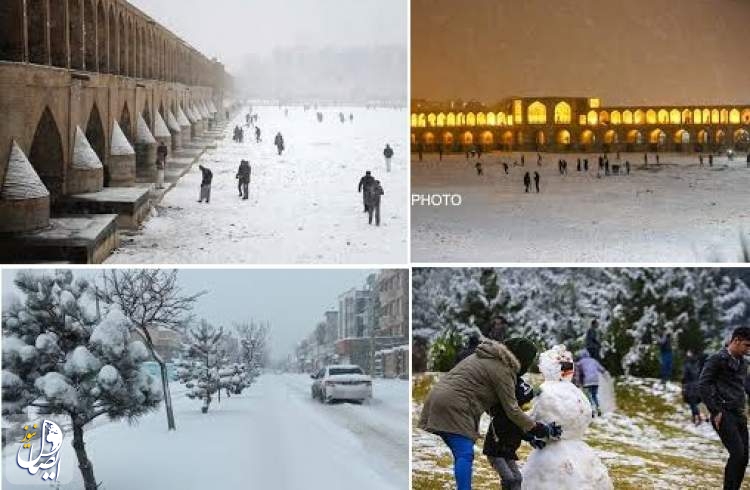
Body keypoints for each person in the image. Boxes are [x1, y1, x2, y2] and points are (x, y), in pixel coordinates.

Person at [418, 338, 561, 490]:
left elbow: (492, 403)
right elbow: (512, 410)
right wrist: (537, 428)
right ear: (522, 359)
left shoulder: (483, 357)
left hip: (438, 398)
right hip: (456, 405)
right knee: (464, 454)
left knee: (462, 452)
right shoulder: (503, 370)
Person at [699, 326, 750, 490]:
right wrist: (715, 411)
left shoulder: (743, 363)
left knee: (744, 457)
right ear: (736, 340)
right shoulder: (717, 359)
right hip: (723, 413)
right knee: (737, 453)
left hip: (739, 414)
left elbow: (744, 387)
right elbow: (704, 384)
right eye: (747, 345)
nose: (749, 350)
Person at [483, 376, 539, 490]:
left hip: (507, 452)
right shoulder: (504, 417)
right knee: (509, 478)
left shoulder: (517, 417)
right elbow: (517, 430)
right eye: (525, 402)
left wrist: (532, 439)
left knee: (517, 478)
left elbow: (520, 431)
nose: (528, 405)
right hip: (495, 453)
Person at [576, 350, 606, 417]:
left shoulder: (580, 363)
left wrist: (578, 382)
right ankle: (598, 408)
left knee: (588, 396)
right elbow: (602, 369)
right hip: (596, 381)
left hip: (587, 381)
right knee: (594, 395)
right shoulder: (593, 361)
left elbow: (578, 373)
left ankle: (592, 410)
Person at [683, 350, 704, 425]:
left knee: (692, 403)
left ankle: (698, 417)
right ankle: (695, 417)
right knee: (693, 403)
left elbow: (685, 376)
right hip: (697, 386)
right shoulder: (697, 364)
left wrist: (684, 384)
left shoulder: (687, 365)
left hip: (690, 386)